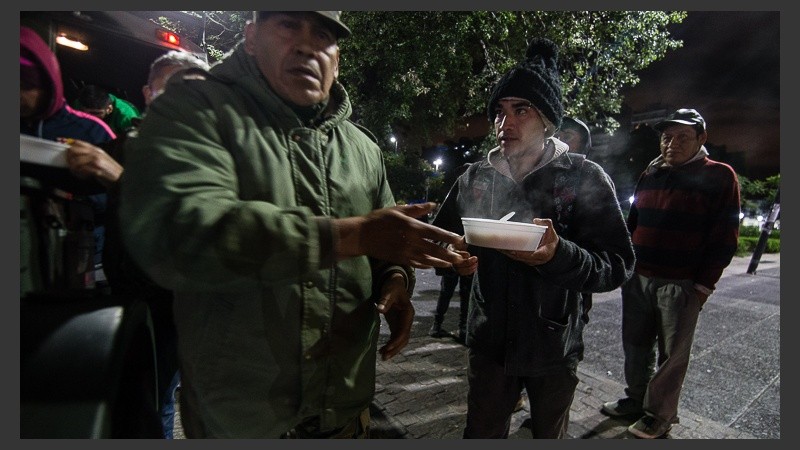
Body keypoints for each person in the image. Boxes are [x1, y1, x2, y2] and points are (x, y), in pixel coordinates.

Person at [117, 11, 470, 438]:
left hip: (343, 413)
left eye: (323, 35)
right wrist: (349, 234)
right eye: (288, 25)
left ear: (337, 60)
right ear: (250, 37)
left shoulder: (362, 148)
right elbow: (178, 232)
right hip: (241, 419)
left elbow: (384, 243)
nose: (306, 46)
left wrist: (395, 282)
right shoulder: (195, 111)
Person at [431, 37, 635, 439]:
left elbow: (618, 265)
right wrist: (450, 255)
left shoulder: (583, 178)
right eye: (499, 112)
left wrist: (558, 255)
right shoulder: (475, 178)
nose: (505, 124)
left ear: (547, 120)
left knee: (548, 433)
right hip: (489, 344)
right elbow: (444, 237)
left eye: (521, 110)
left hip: (553, 347)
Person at [63, 49, 210, 439]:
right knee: (138, 397)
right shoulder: (128, 140)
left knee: (164, 398)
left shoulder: (214, 152)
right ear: (147, 93)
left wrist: (119, 179)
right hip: (130, 294)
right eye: (168, 89)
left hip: (184, 301)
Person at [600, 108, 741, 439]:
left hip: (681, 282)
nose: (671, 144)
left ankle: (659, 415)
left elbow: (725, 237)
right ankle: (635, 400)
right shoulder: (652, 171)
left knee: (671, 356)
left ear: (701, 139)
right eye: (666, 137)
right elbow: (633, 222)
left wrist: (704, 286)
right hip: (639, 278)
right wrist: (626, 264)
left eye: (682, 137)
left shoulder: (720, 175)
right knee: (634, 345)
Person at [20, 25, 116, 293]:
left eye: (25, 85)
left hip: (81, 248)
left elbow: (116, 195)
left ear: (49, 82)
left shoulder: (91, 130)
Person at [74, 84, 142, 135]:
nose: (89, 118)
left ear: (109, 109)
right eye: (84, 113)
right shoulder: (78, 104)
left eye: (95, 113)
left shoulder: (126, 117)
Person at [429, 270, 473, 344]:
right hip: (466, 263)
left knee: (446, 292)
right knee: (466, 295)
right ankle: (463, 328)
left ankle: (437, 325)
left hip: (452, 263)